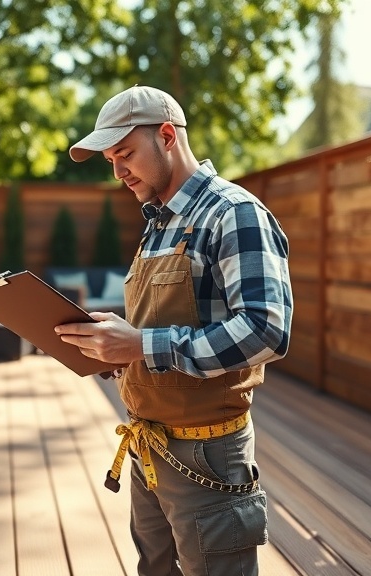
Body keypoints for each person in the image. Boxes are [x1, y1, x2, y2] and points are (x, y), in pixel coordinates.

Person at [55, 85, 293, 576]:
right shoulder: (158, 222)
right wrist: (116, 352)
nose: (118, 172)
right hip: (149, 445)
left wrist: (142, 345)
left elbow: (266, 329)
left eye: (125, 154)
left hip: (207, 455)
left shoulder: (234, 213)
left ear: (167, 136)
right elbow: (163, 329)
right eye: (110, 160)